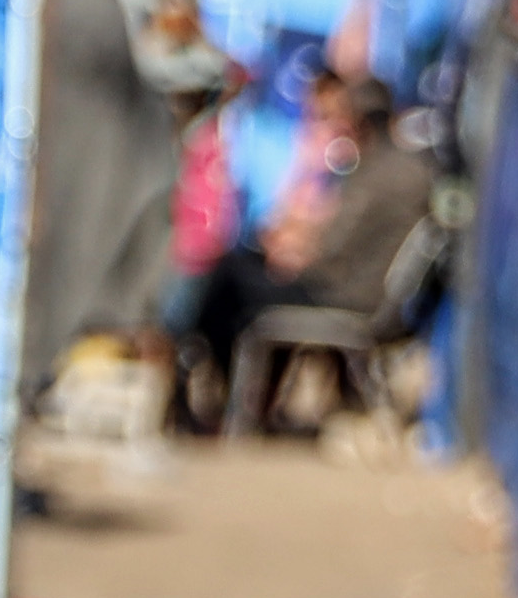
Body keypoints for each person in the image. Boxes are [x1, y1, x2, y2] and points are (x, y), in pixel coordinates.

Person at [173, 58, 437, 431]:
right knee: (239, 270)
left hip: (345, 294)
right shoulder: (400, 169)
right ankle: (230, 396)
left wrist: (294, 256)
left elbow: (335, 250)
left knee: (230, 278)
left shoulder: (378, 173)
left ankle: (209, 388)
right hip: (352, 287)